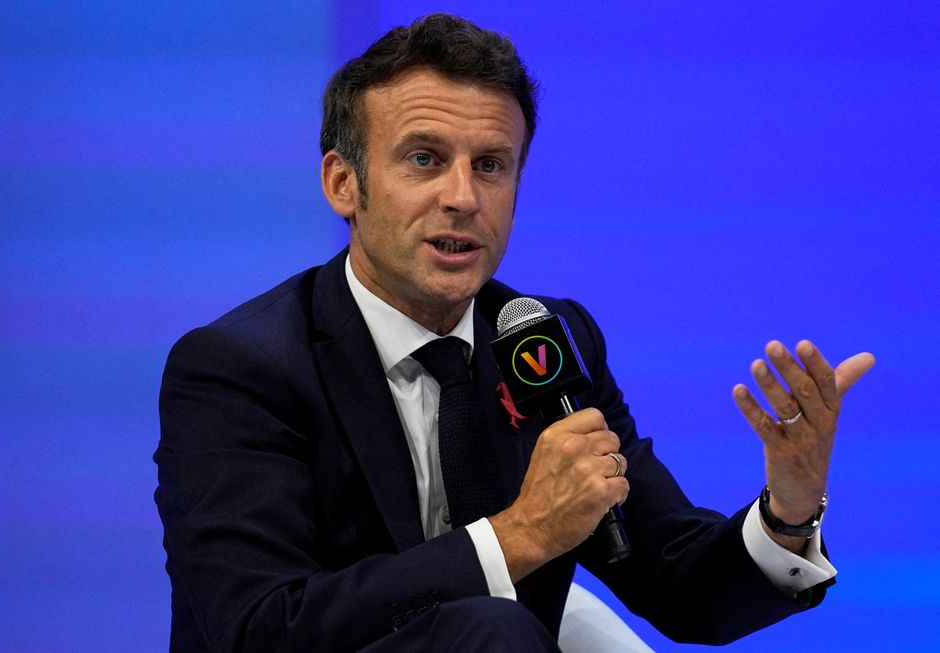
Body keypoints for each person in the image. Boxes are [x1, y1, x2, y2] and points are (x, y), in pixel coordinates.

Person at [154, 13, 874, 652]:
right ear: (344, 183)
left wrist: (788, 509)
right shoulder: (239, 368)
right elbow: (260, 626)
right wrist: (522, 533)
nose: (463, 197)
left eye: (491, 165)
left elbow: (676, 581)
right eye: (424, 159)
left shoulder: (544, 342)